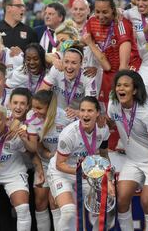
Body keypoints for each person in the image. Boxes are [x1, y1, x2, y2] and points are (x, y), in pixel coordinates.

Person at [107, 70, 148, 230]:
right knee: (122, 199)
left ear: (135, 90)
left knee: (146, 201)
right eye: (118, 85)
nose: (121, 89)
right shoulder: (113, 105)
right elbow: (113, 124)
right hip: (132, 161)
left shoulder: (146, 111)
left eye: (126, 85)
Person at [47, 96, 112, 231]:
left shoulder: (103, 130)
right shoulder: (69, 134)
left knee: (104, 209)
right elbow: (60, 164)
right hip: (62, 172)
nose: (85, 114)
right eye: (82, 110)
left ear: (97, 113)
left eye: (90, 111)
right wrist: (81, 171)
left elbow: (104, 155)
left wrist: (108, 180)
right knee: (69, 211)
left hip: (86, 172)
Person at [83, 0, 142, 108]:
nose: (100, 16)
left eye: (105, 12)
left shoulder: (121, 25)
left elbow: (123, 66)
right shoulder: (92, 22)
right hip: (108, 70)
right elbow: (86, 42)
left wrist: (118, 87)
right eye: (97, 12)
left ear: (113, 10)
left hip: (128, 68)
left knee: (123, 105)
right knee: (107, 110)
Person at [26, 90, 71, 231]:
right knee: (40, 201)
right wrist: (46, 154)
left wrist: (58, 156)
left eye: (39, 108)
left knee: (55, 202)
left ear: (50, 107)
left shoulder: (65, 117)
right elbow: (34, 147)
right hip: (44, 162)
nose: (35, 111)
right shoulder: (31, 117)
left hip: (62, 164)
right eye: (33, 107)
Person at [39, 43, 97, 119]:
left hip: (78, 116)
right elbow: (40, 94)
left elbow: (91, 107)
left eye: (74, 63)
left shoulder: (88, 76)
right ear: (62, 61)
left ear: (81, 63)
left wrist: (78, 112)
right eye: (66, 62)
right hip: (56, 115)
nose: (69, 67)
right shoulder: (56, 69)